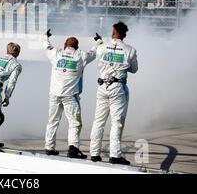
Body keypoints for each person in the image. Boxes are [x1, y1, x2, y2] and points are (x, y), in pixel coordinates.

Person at [43, 29, 98, 158]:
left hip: (54, 95)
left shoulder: (56, 53)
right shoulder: (81, 56)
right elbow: (94, 53)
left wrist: (46, 36)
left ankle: (49, 147)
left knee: (52, 121)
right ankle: (73, 149)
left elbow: (46, 45)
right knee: (75, 123)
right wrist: (97, 42)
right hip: (70, 97)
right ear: (77, 47)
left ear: (64, 45)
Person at [89, 21, 138, 165]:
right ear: (124, 34)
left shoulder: (102, 48)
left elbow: (99, 64)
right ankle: (115, 155)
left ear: (113, 32)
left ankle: (94, 153)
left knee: (98, 121)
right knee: (117, 123)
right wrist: (121, 65)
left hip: (102, 86)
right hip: (118, 87)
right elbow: (134, 69)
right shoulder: (130, 50)